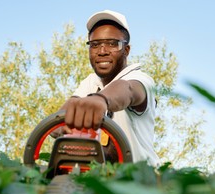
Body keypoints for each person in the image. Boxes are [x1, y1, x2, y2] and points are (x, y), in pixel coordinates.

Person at [56, 10, 159, 166]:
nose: (102, 51)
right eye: (95, 45)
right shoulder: (91, 82)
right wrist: (62, 124)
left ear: (126, 50)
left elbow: (127, 90)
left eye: (112, 44)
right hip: (100, 181)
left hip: (140, 183)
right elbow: (60, 119)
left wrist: (100, 100)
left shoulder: (140, 79)